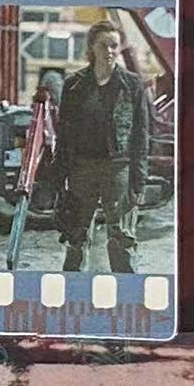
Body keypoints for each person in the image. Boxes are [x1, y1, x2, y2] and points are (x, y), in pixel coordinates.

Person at [53, 21, 153, 275]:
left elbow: (141, 136)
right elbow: (64, 134)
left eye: (114, 45)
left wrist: (138, 181)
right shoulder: (74, 85)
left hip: (118, 168)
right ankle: (73, 289)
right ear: (91, 48)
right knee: (76, 235)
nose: (109, 51)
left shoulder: (132, 85)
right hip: (81, 168)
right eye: (103, 45)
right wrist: (59, 176)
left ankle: (126, 290)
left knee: (121, 236)